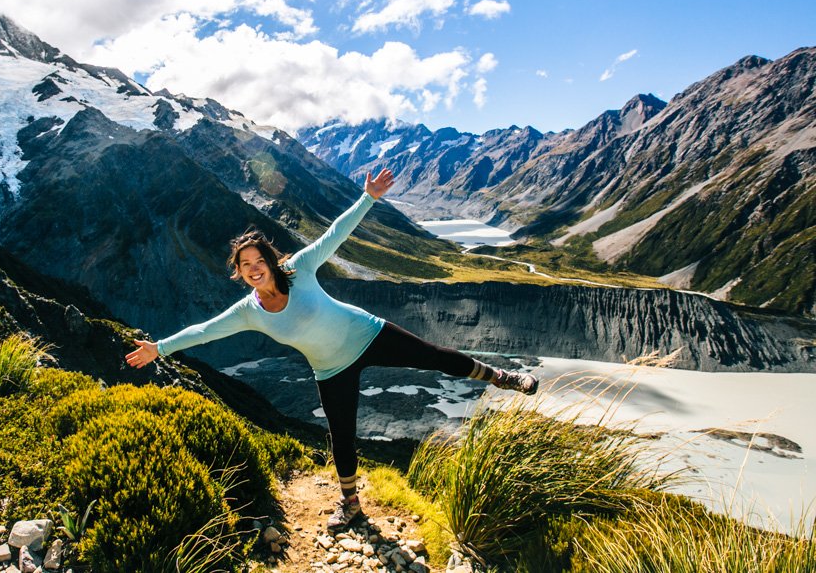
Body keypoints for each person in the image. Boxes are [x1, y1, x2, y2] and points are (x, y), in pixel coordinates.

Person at [124, 169, 538, 529]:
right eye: (244, 265)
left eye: (257, 261)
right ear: (239, 272)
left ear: (269, 260)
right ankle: (351, 505)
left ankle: (504, 378)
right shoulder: (249, 310)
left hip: (369, 334)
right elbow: (205, 331)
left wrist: (368, 198)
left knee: (435, 357)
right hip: (330, 369)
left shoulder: (298, 269)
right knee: (341, 437)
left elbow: (334, 234)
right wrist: (159, 348)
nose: (252, 269)